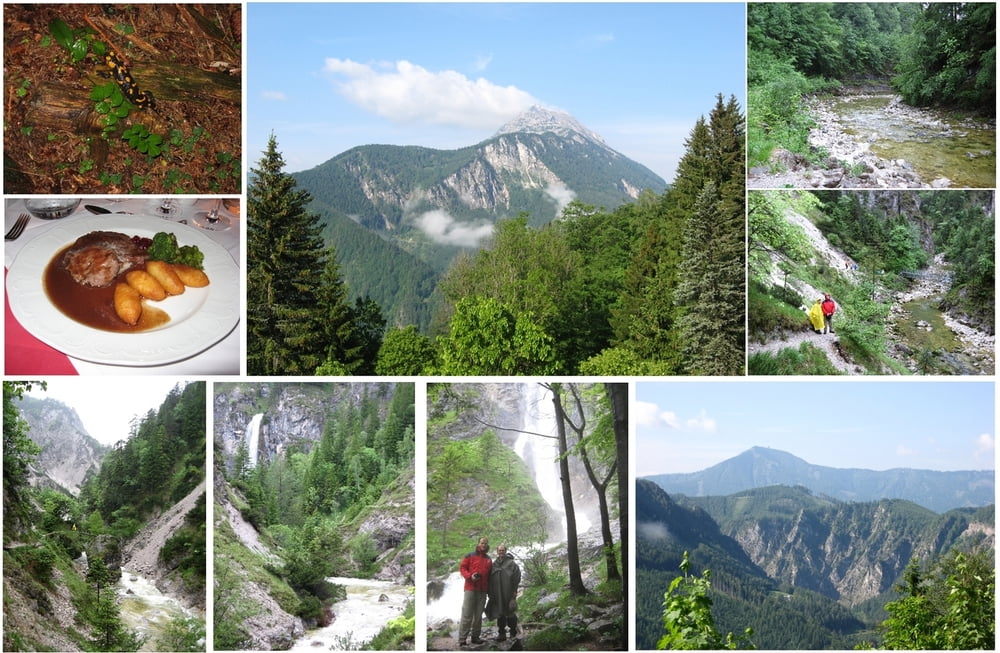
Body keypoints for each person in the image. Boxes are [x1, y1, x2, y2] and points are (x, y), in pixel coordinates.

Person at [458, 536, 492, 647]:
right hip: (470, 588)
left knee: (478, 616)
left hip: (482, 591)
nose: (483, 545)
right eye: (482, 543)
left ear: (487, 545)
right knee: (467, 614)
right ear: (478, 544)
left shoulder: (488, 559)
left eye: (485, 543)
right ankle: (462, 639)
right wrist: (470, 576)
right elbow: (462, 568)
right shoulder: (470, 555)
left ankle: (475, 637)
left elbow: (490, 576)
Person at [485, 544, 521, 642]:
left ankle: (513, 631)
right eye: (499, 550)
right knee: (500, 612)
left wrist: (514, 591)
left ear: (505, 551)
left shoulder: (512, 564)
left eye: (503, 550)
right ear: (497, 551)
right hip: (497, 593)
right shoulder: (494, 564)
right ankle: (502, 633)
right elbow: (490, 579)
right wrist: (490, 592)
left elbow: (517, 577)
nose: (501, 552)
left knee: (510, 612)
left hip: (508, 592)